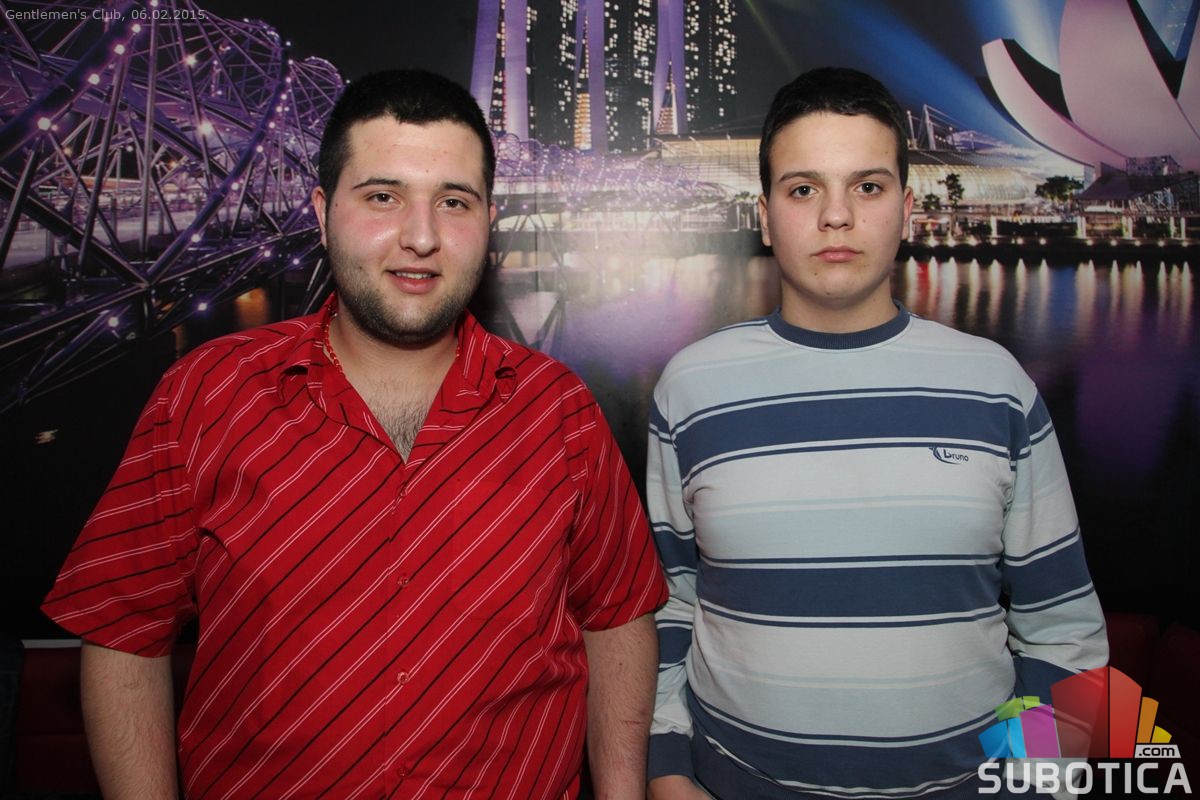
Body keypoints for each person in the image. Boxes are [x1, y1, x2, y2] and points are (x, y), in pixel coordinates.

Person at [44, 69, 666, 800]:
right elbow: (121, 631)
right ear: (322, 211)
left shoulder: (557, 409)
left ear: (489, 219)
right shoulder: (208, 395)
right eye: (382, 197)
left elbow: (617, 617)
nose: (421, 237)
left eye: (453, 202)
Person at [645, 68, 1107, 799]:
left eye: (867, 186)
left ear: (906, 209)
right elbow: (669, 606)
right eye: (804, 189)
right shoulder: (690, 389)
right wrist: (667, 770)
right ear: (764, 215)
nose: (836, 216)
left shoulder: (996, 386)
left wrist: (1033, 781)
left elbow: (1062, 632)